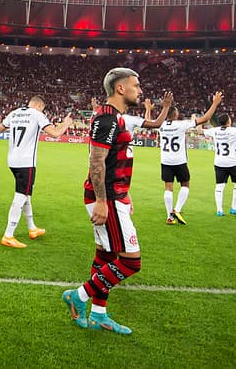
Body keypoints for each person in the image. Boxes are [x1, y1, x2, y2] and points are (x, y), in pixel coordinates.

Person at [63, 68, 172, 335]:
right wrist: (103, 201)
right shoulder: (108, 119)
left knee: (106, 256)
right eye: (136, 85)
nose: (140, 90)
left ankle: (99, 314)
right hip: (107, 198)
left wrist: (126, 193)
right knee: (131, 262)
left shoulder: (117, 118)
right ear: (120, 89)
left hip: (115, 195)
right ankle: (79, 295)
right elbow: (96, 161)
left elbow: (114, 161)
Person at [0, 96, 73, 248]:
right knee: (21, 196)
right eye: (43, 109)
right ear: (39, 105)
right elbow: (56, 133)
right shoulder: (37, 114)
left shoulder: (15, 113)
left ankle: (32, 228)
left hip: (12, 161)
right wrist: (66, 123)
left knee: (26, 195)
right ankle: (8, 235)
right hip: (26, 163)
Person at [157, 92, 222, 224]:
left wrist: (148, 110)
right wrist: (215, 103)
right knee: (185, 184)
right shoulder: (182, 124)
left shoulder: (160, 125)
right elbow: (205, 118)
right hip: (179, 161)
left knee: (168, 188)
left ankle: (169, 217)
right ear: (175, 114)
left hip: (165, 161)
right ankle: (177, 209)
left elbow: (149, 121)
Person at [202, 113, 236, 217]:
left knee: (219, 186)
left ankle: (219, 210)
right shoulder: (234, 131)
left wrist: (198, 121)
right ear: (228, 121)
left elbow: (200, 131)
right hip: (233, 162)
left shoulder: (215, 130)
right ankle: (234, 208)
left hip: (219, 162)